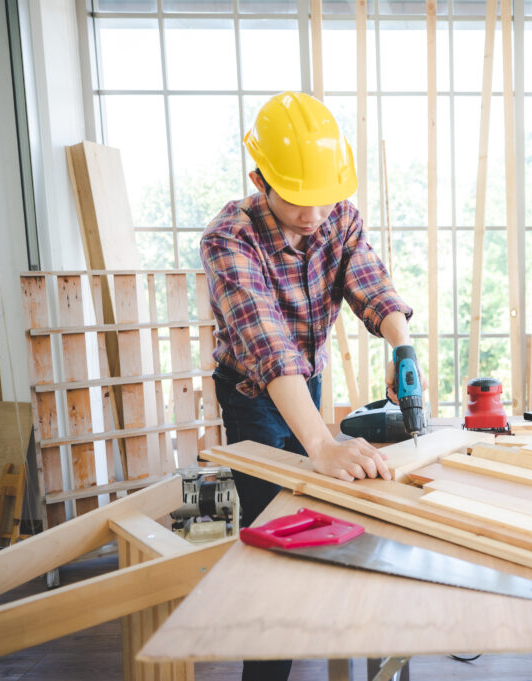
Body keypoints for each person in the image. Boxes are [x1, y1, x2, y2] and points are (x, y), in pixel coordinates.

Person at [200, 91, 418, 681]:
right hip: (251, 392)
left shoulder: (337, 214)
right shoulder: (229, 240)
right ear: (259, 177)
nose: (315, 213)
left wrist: (403, 347)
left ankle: (327, 633)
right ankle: (266, 671)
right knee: (273, 537)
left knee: (323, 513)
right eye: (299, 199)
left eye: (326, 197)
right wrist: (321, 444)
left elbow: (370, 282)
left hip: (308, 378)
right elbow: (268, 347)